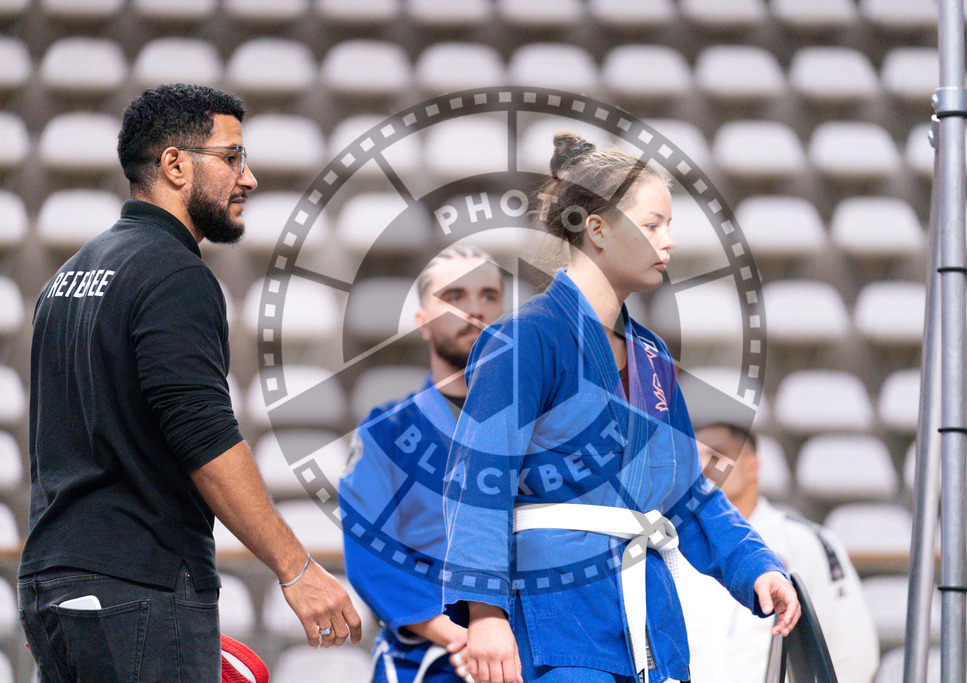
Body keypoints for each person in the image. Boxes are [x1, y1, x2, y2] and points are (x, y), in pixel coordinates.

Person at [18, 83, 361, 682]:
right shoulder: (174, 274)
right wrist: (296, 567)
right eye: (231, 158)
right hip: (137, 586)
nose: (248, 178)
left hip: (54, 584)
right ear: (175, 165)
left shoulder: (71, 275)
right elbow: (202, 436)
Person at [441, 133, 801, 683]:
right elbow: (479, 476)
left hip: (645, 618)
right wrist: (485, 614)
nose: (670, 241)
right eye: (653, 225)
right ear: (599, 228)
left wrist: (755, 564)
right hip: (558, 616)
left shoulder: (651, 354)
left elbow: (685, 487)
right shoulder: (527, 338)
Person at [340, 246, 505, 683]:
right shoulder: (386, 432)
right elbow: (368, 550)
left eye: (489, 295)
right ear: (422, 323)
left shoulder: (546, 430)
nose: (474, 309)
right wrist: (452, 633)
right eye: (454, 296)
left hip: (529, 656)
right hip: (427, 664)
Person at [679, 423, 880, 683]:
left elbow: (852, 653)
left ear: (752, 466)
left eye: (715, 455)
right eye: (694, 459)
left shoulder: (807, 542)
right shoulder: (667, 545)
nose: (702, 467)